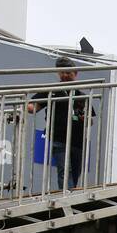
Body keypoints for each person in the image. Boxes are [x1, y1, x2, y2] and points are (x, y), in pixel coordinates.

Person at [26, 58, 94, 190]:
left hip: (78, 141)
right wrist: (27, 107)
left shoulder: (81, 95)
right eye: (62, 72)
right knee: (64, 170)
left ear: (75, 73)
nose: (65, 75)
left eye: (68, 72)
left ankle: (70, 194)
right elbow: (33, 107)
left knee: (75, 172)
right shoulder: (53, 90)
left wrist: (84, 118)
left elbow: (90, 121)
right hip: (59, 138)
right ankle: (66, 195)